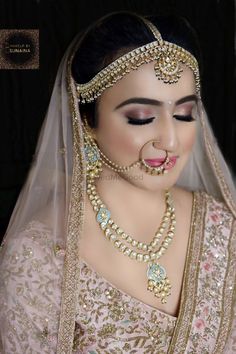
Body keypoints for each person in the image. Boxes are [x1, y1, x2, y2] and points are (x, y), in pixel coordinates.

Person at [0, 11, 235, 354]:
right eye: (142, 117)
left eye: (184, 114)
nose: (170, 139)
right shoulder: (36, 259)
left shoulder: (223, 230)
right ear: (87, 119)